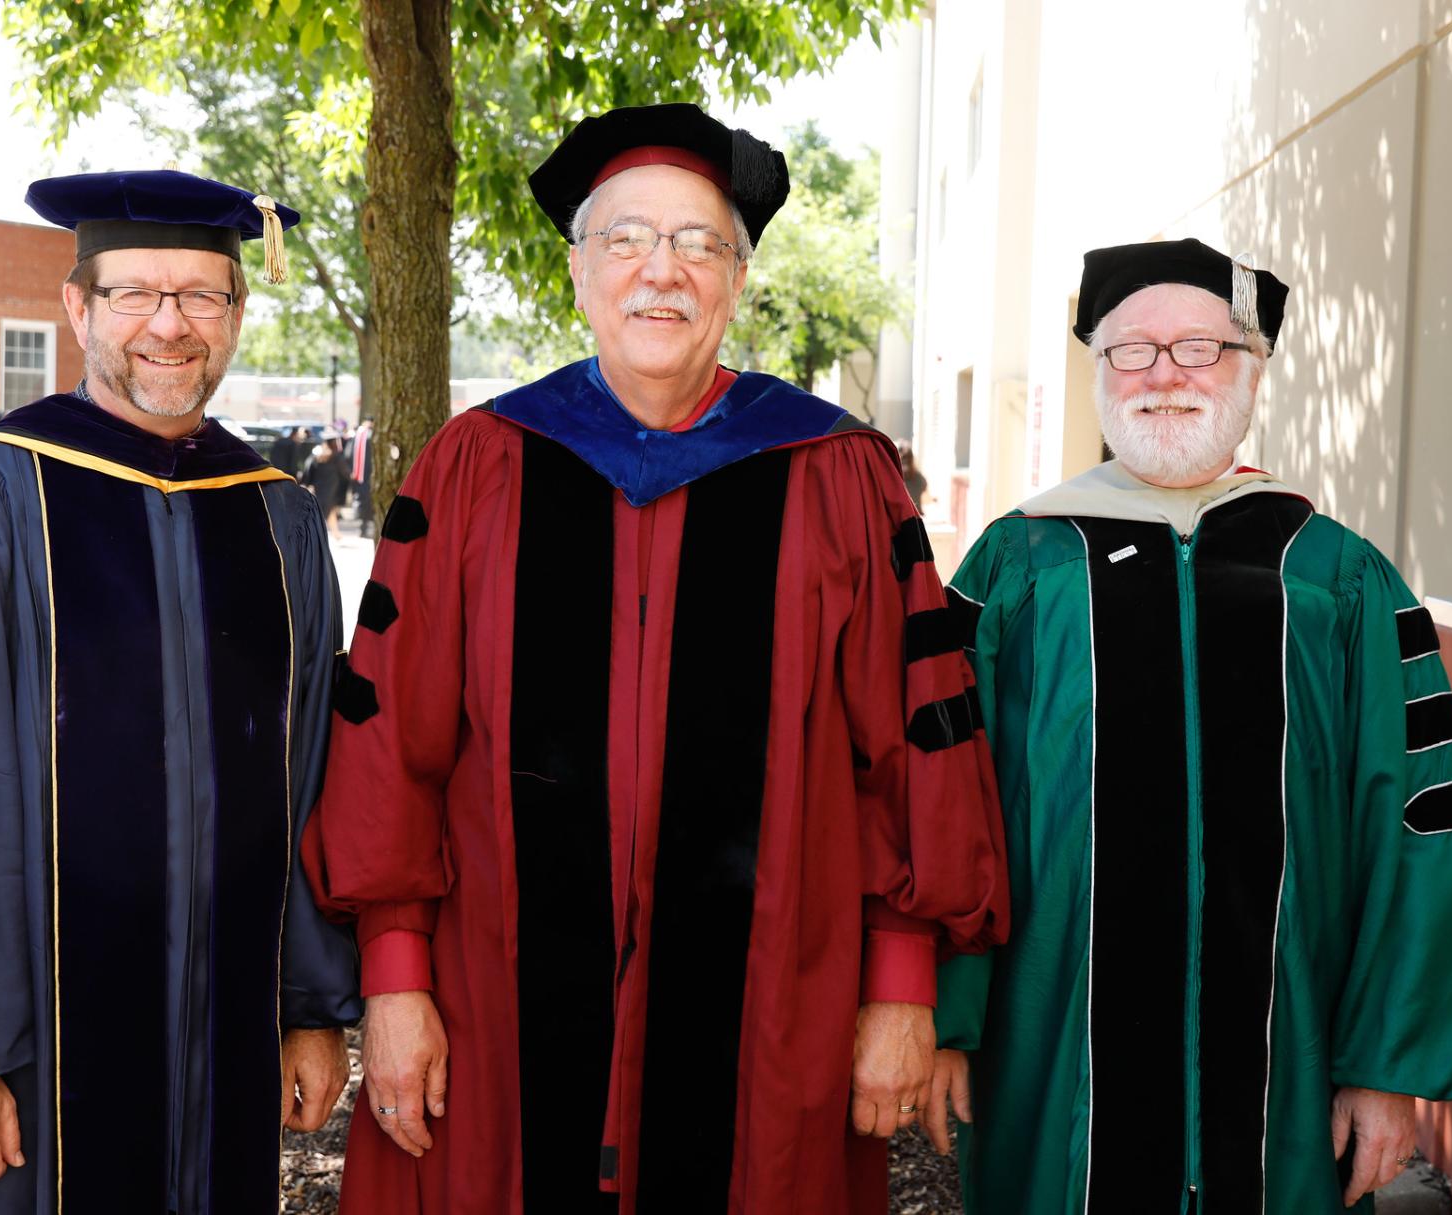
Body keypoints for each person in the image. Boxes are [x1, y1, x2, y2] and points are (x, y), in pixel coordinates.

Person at [303, 102, 1009, 1215]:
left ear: (737, 282)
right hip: (496, 1016)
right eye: (624, 240)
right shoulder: (477, 469)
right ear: (579, 274)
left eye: (697, 244)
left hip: (774, 1022)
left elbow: (913, 752)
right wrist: (393, 978)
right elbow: (390, 742)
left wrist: (903, 986)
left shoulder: (838, 476)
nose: (659, 273)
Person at [0, 169, 362, 1213]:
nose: (170, 326)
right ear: (79, 305)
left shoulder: (275, 520)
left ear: (235, 311)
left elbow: (313, 773)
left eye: (200, 296)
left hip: (221, 1049)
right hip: (7, 1063)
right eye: (137, 294)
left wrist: (309, 1004)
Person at [928, 238, 1452, 1214]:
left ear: (1253, 371)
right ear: (1099, 374)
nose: (1165, 374)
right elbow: (943, 811)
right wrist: (944, 1020)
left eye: (1201, 348)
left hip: (1284, 1081)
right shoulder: (1012, 569)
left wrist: (1385, 1067)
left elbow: (1416, 831)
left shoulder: (1339, 579)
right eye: (1132, 350)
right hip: (1052, 1070)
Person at [305, 441, 345, 541]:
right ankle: (328, 534)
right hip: (330, 489)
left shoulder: (316, 456)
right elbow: (343, 471)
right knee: (327, 511)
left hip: (318, 488)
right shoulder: (335, 457)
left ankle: (335, 533)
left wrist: (308, 484)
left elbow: (309, 470)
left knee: (325, 511)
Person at [349, 418, 375, 538]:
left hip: (358, 475)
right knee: (369, 502)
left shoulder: (356, 437)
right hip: (370, 475)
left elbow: (348, 454)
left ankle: (363, 528)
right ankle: (367, 527)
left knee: (362, 500)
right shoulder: (372, 437)